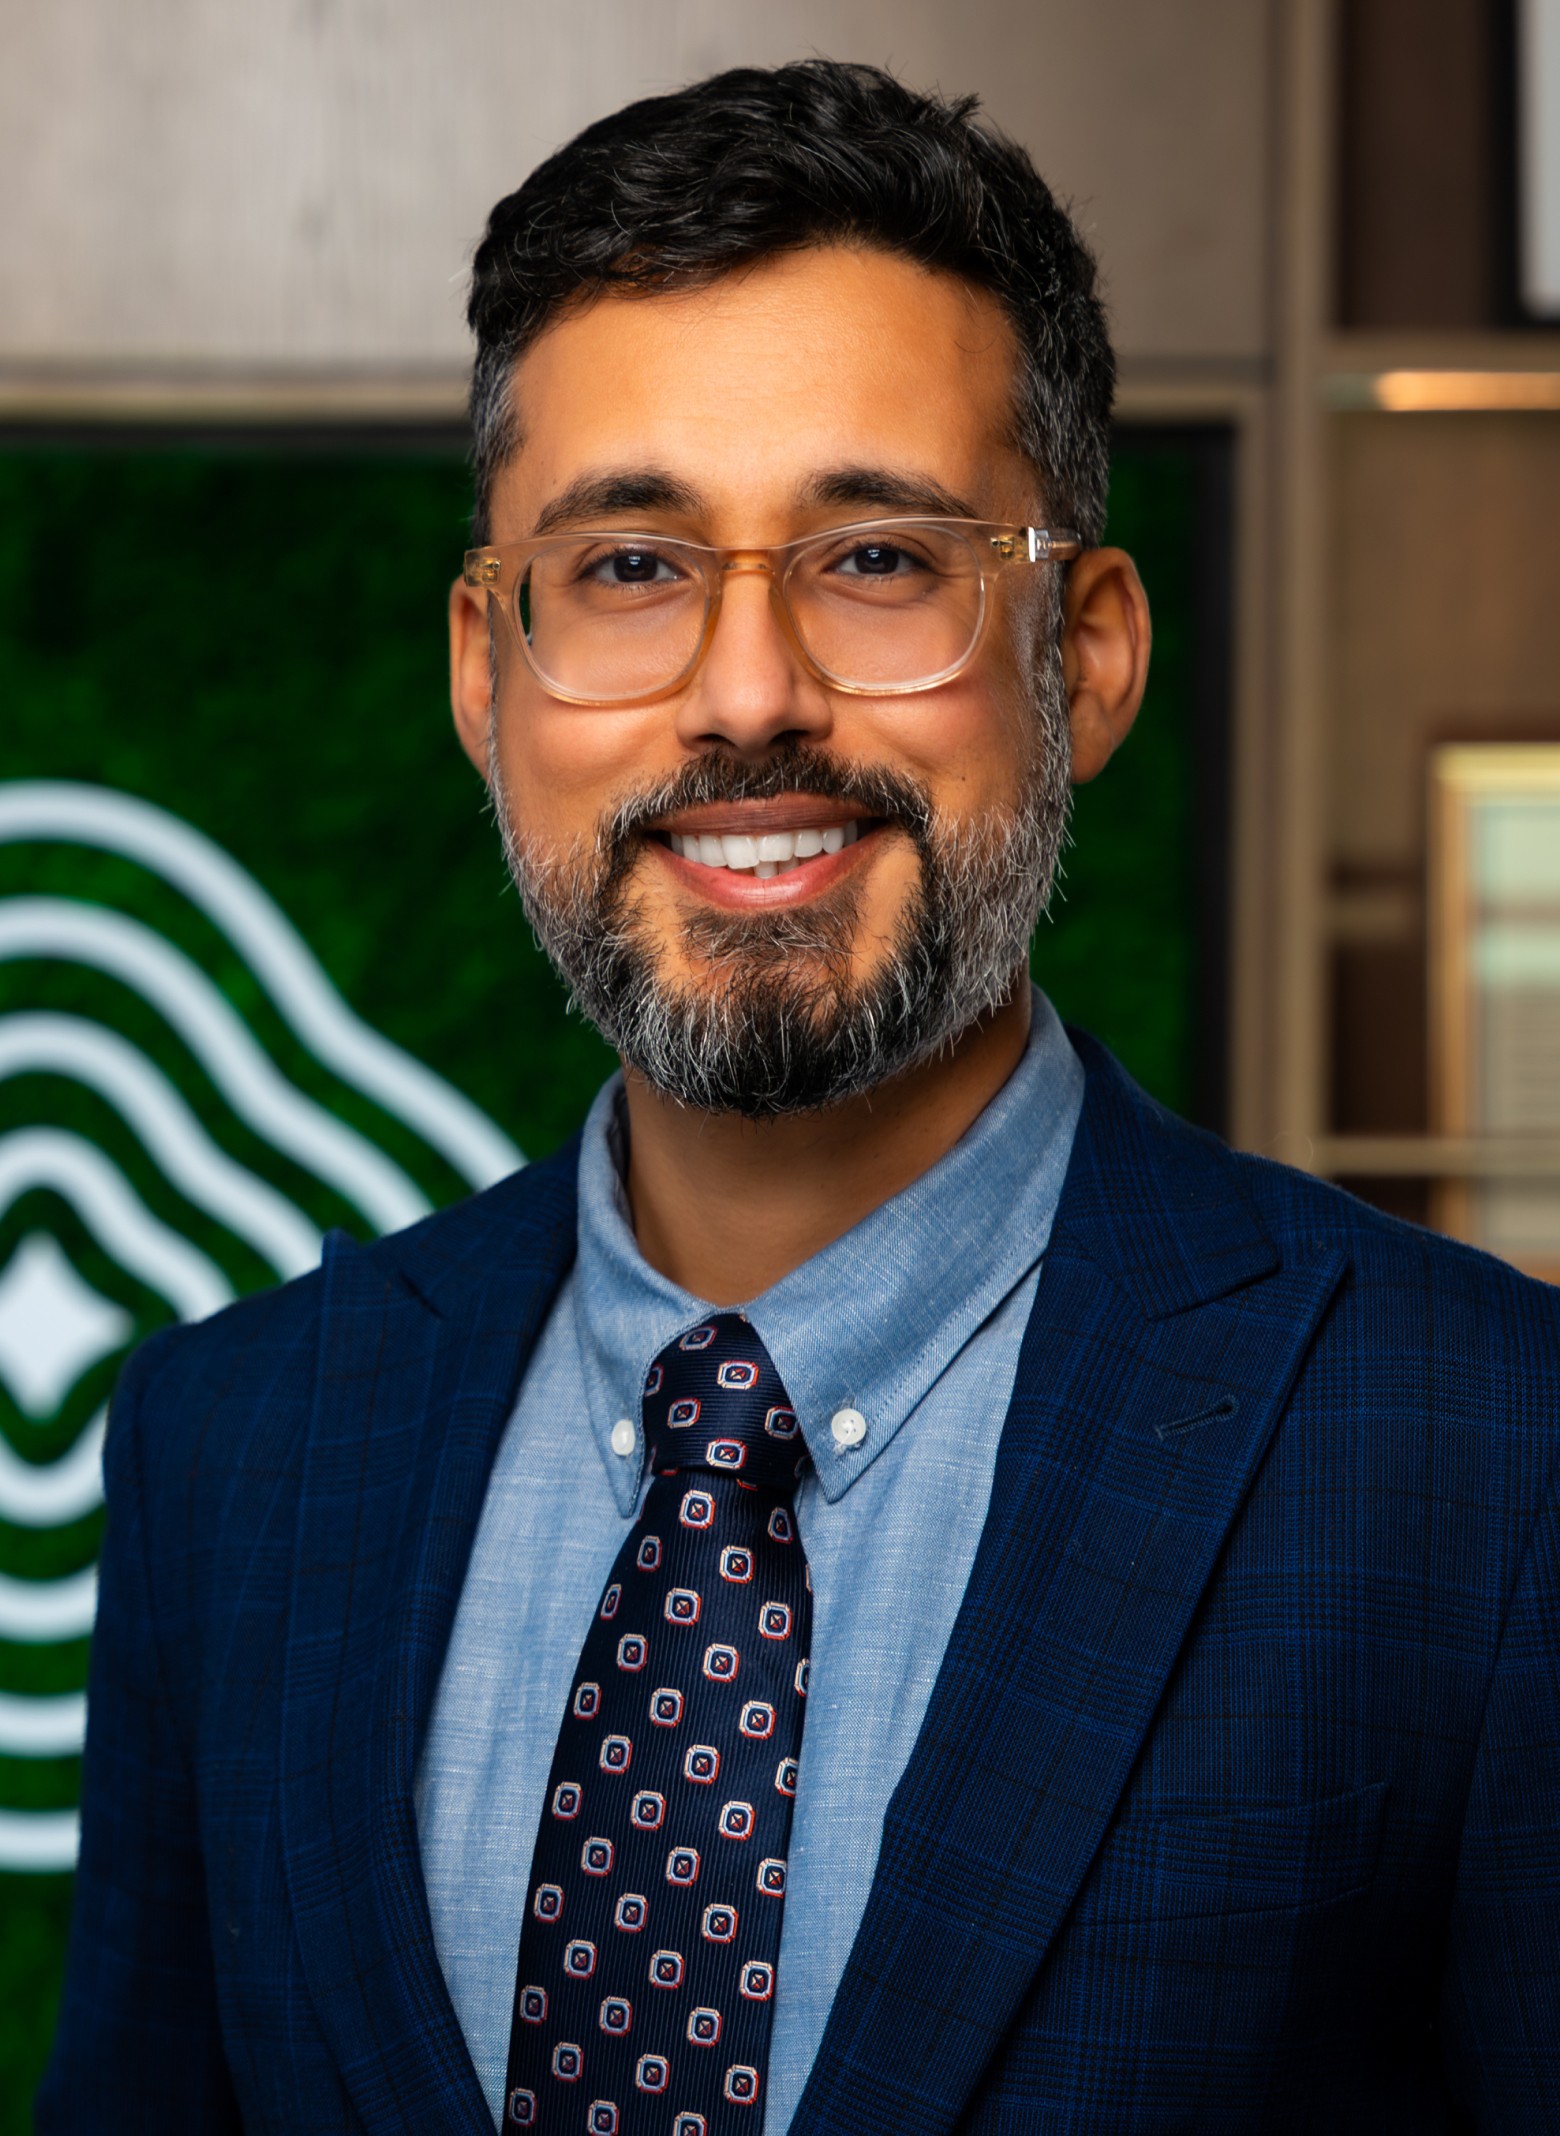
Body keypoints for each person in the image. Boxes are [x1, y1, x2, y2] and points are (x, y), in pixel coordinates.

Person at [38, 58, 1560, 2136]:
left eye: (876, 557)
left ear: (1088, 652)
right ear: (488, 672)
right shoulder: (234, 1450)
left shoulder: (1484, 1454)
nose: (748, 693)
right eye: (634, 569)